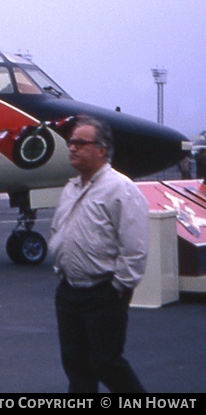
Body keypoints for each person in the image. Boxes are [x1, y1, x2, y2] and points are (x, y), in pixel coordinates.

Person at [51, 115, 149, 393]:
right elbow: (60, 228)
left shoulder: (121, 189)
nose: (72, 148)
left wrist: (120, 286)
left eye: (81, 143)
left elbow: (135, 245)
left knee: (106, 363)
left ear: (101, 149)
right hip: (69, 291)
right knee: (76, 367)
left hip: (103, 292)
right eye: (71, 142)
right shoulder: (72, 187)